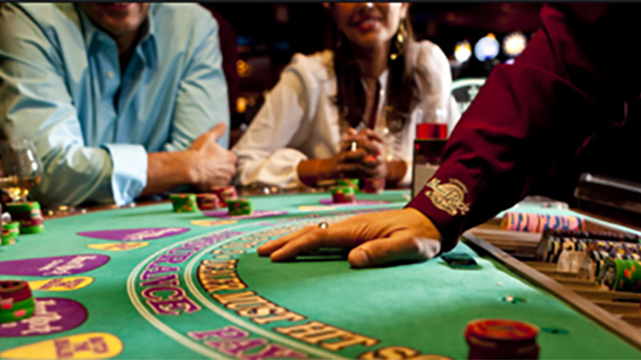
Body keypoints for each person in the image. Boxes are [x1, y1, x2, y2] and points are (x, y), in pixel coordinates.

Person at [258, 4, 641, 268]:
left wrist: (405, 181)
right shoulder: (306, 74)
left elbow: (438, 162)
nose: (367, 4)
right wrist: (432, 212)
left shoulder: (428, 63)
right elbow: (572, 59)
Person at [0, 3, 237, 207]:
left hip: (167, 222)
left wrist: (180, 169)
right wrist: (187, 165)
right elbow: (44, 173)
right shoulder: (27, 17)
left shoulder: (194, 24)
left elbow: (209, 160)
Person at [232, 3, 458, 190]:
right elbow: (241, 165)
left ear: (404, 6)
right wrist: (327, 167)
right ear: (332, 10)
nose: (367, 5)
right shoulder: (309, 76)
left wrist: (390, 170)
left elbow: (459, 166)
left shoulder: (427, 68)